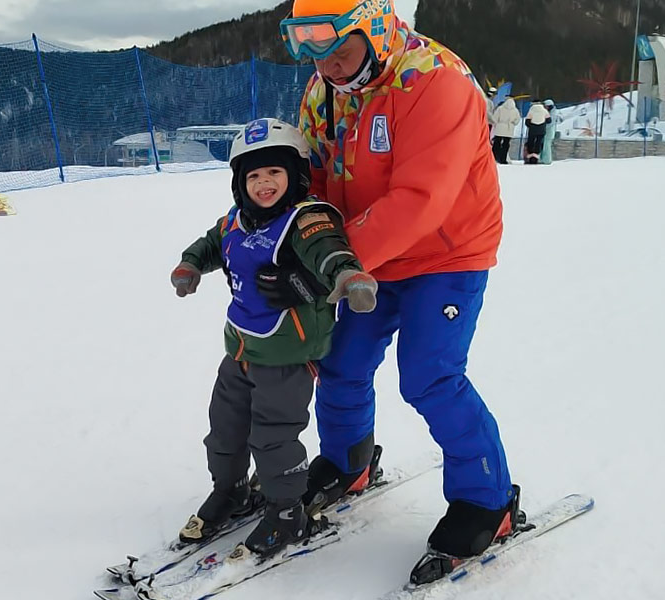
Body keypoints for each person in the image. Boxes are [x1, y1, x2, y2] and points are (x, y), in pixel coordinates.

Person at [274, 0, 519, 585]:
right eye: (311, 51)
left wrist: (332, 265)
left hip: (446, 251)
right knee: (339, 362)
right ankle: (347, 461)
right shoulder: (322, 92)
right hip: (368, 254)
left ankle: (487, 500)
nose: (326, 66)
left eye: (338, 50)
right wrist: (296, 250)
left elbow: (419, 201)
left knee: (429, 374)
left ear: (376, 29)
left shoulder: (437, 82)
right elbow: (322, 183)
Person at [169, 118, 379, 559]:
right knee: (224, 433)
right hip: (241, 350)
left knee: (273, 438)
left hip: (286, 358)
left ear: (295, 176)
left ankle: (287, 511)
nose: (264, 183)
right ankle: (230, 491)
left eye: (274, 173)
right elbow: (210, 244)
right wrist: (191, 265)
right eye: (253, 175)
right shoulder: (236, 221)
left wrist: (350, 277)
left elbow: (330, 251)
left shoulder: (305, 219)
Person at [491, 96, 521, 164]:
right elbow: (517, 120)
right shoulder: (515, 110)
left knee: (497, 143)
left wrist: (497, 123)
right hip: (509, 128)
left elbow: (495, 118)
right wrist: (513, 123)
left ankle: (494, 157)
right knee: (506, 144)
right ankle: (503, 159)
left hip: (500, 127)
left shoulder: (500, 108)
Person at [524, 99, 551, 164]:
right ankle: (536, 157)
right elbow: (549, 120)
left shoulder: (531, 110)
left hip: (532, 130)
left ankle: (530, 157)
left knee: (531, 142)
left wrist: (531, 125)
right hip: (541, 130)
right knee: (538, 143)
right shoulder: (544, 111)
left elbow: (527, 122)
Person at [540, 99, 558, 165]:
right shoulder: (549, 112)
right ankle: (543, 158)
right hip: (546, 130)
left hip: (549, 130)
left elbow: (550, 123)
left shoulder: (553, 113)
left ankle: (547, 159)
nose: (545, 108)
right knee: (544, 144)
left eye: (546, 106)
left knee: (546, 145)